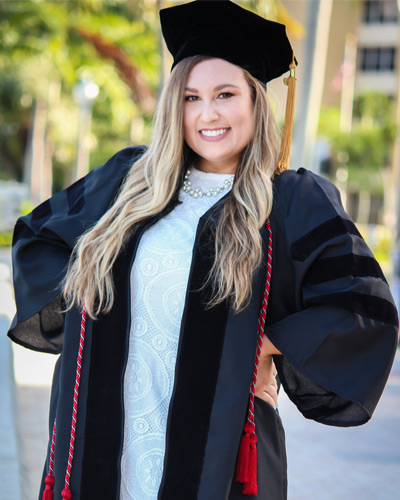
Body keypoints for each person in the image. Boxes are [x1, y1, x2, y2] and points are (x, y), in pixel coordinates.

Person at [7, 1, 399, 499]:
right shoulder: (127, 183)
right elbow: (36, 239)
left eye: (225, 94)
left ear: (256, 101)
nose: (207, 113)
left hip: (219, 450)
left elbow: (363, 308)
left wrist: (266, 343)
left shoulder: (291, 202)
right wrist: (97, 311)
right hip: (106, 439)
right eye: (191, 97)